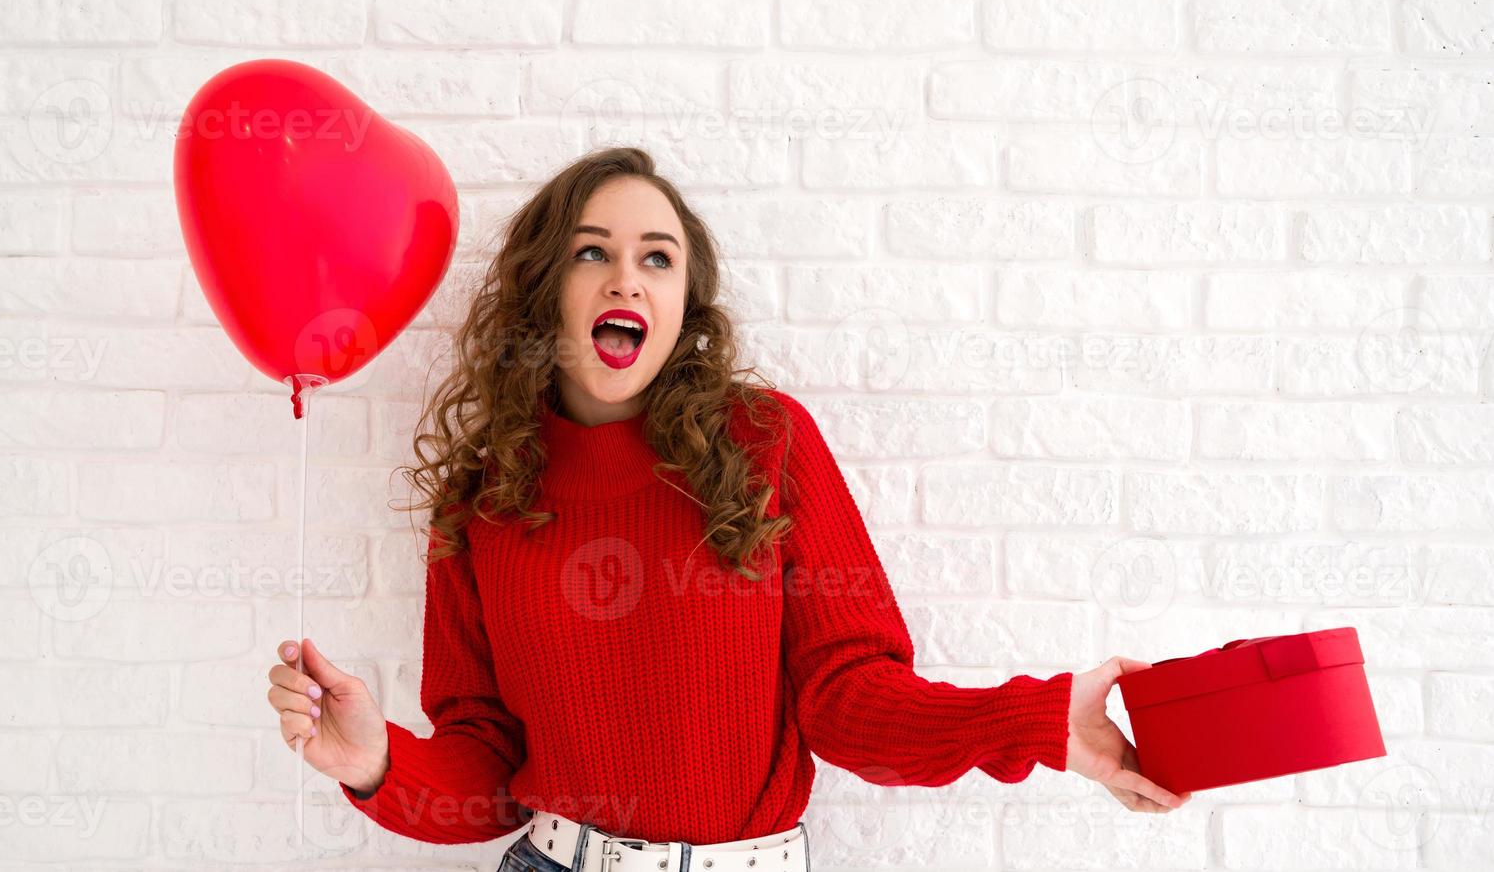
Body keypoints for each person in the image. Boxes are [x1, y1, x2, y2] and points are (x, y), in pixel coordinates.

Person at [266, 146, 1191, 872]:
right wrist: (378, 764)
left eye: (656, 259)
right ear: (544, 290)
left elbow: (847, 697)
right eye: (593, 252)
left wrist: (1036, 721)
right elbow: (488, 764)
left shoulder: (767, 443)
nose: (627, 279)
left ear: (681, 304)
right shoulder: (485, 500)